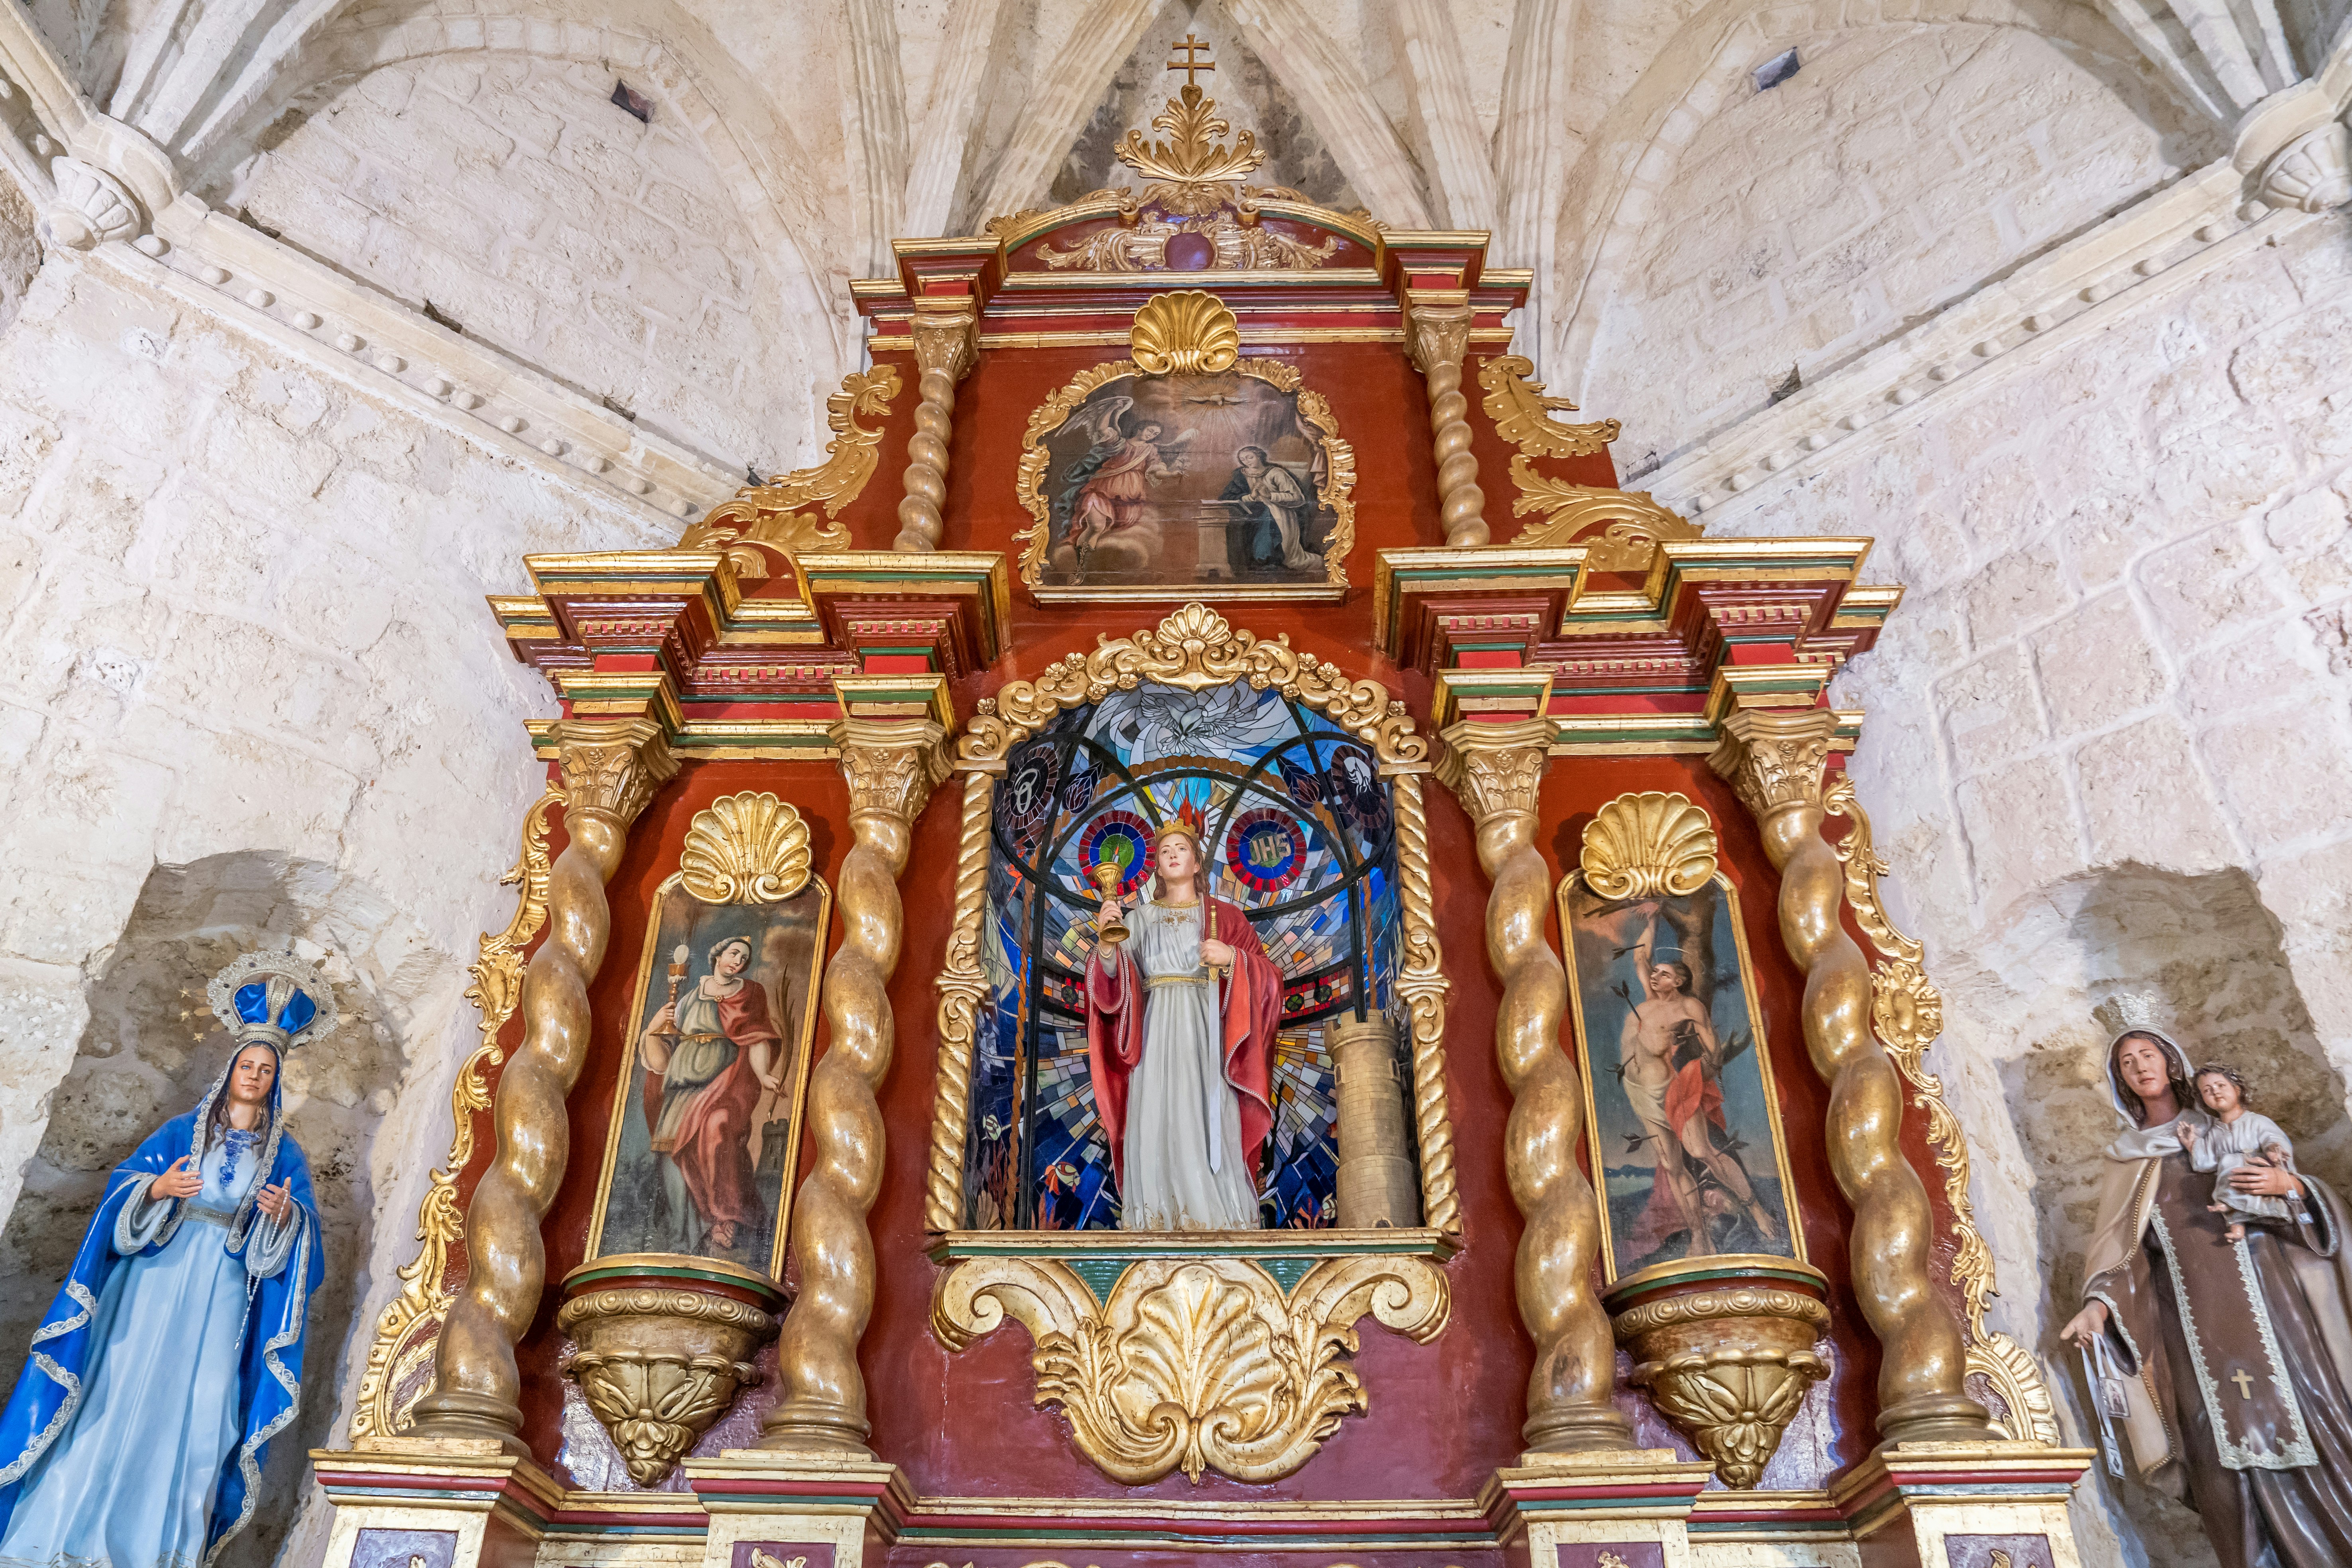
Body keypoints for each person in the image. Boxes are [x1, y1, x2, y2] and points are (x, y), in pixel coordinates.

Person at [0, 950, 326, 1568]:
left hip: (224, 1289)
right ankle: (63, 1533)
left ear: (276, 1078)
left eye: (266, 1067)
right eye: (247, 1063)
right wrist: (154, 1190)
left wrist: (284, 1217)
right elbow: (124, 1188)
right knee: (118, 1388)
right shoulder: (182, 1132)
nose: (254, 1074)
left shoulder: (286, 1158)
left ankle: (158, 1549)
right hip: (154, 1276)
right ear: (232, 1067)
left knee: (203, 1406)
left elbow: (305, 1241)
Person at [2060, 1014, 2352, 1568]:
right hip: (2188, 1319)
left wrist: (2288, 1185)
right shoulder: (2129, 1158)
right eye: (2126, 1061)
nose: (2138, 1064)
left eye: (2146, 1053)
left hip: (2271, 1298)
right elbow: (2121, 1251)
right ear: (2120, 1081)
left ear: (2171, 1063)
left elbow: (2310, 1213)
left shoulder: (2226, 1127)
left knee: (2313, 1412)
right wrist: (2098, 1305)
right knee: (2215, 1443)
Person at [1084, 804, 1283, 1230]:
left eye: (1181, 848)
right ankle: (1155, 1221)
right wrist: (1105, 945)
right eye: (1164, 851)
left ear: (1197, 863)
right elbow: (1111, 986)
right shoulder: (1138, 919)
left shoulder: (1225, 917)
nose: (1171, 855)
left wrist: (1233, 959)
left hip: (1207, 1031)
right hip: (1155, 1031)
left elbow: (1271, 983)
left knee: (1205, 1116)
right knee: (1155, 1117)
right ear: (1156, 866)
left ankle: (1217, 1218)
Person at [1618, 905, 1778, 1258]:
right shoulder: (1646, 1001)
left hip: (1670, 1090)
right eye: (1656, 974)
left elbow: (1712, 1052)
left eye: (1664, 974)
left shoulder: (1688, 1008)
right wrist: (1654, 919)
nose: (1656, 977)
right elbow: (1640, 960)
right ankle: (1699, 1237)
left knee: (1701, 1151)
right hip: (1639, 1093)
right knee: (1673, 1166)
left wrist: (1698, 1076)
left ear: (1678, 981)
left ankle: (1756, 1209)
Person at [641, 934, 785, 1254]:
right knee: (669, 1155)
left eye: (744, 959)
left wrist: (763, 1075)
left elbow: (756, 1036)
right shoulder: (690, 997)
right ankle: (682, 1237)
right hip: (681, 1087)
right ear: (717, 955)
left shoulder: (749, 994)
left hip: (725, 1082)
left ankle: (724, 1216)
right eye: (734, 953)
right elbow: (662, 1051)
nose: (738, 962)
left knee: (717, 1128)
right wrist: (655, 1026)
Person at [2181, 1063, 2296, 1242]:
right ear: (2203, 1100)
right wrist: (2193, 1145)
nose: (2216, 1092)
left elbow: (2272, 1138)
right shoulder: (2213, 1132)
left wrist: (2274, 1150)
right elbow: (2206, 1163)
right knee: (2229, 1165)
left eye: (2221, 1086)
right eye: (2207, 1090)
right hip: (2232, 1183)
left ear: (2237, 1089)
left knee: (2233, 1163)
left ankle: (2246, 1210)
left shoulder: (2257, 1122)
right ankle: (2236, 1226)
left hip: (2257, 1176)